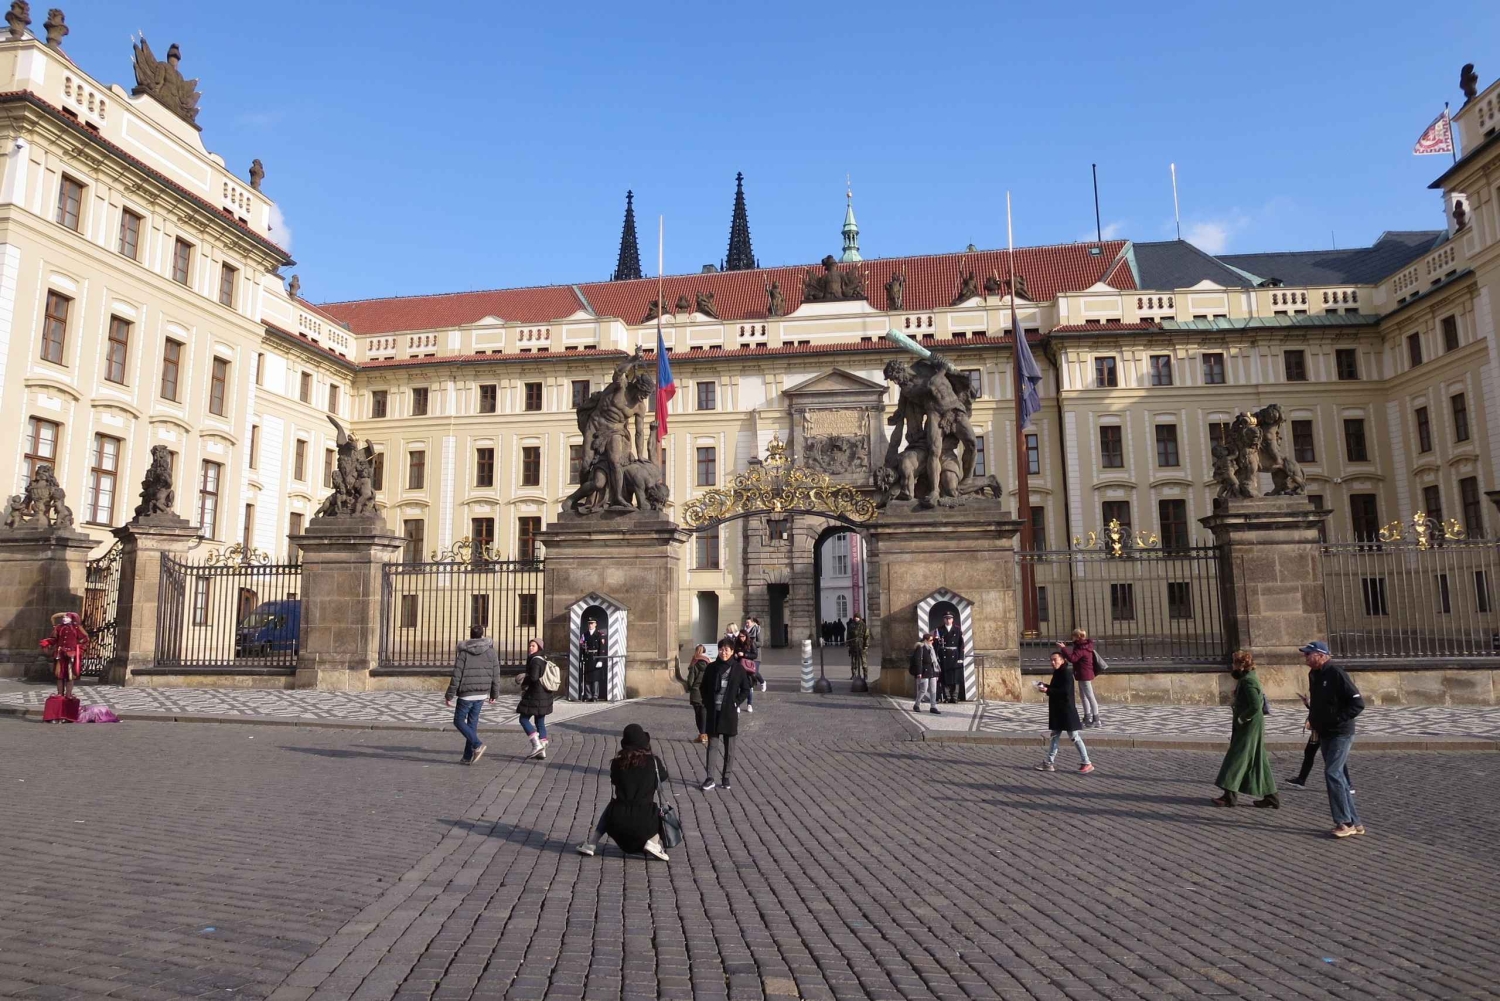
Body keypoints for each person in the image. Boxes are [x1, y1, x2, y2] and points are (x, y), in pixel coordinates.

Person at [576, 723, 671, 861]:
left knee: (611, 807)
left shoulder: (617, 763)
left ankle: (591, 843)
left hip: (618, 823)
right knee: (661, 812)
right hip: (645, 824)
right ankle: (653, 843)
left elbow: (614, 781)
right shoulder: (653, 762)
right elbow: (662, 778)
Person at [1302, 640, 1365, 838]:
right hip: (1324, 732)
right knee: (1340, 777)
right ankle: (1355, 822)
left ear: (1321, 655)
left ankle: (1344, 822)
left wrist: (1337, 719)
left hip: (1341, 732)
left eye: (1308, 654)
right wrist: (1312, 719)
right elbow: (1321, 703)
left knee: (1333, 773)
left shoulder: (1336, 673)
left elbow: (1357, 703)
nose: (1305, 657)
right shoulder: (1314, 674)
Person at [1212, 650, 1279, 808]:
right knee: (1258, 760)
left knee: (1236, 758)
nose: (1231, 665)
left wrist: (1242, 718)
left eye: (1234, 662)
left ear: (1240, 665)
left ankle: (1229, 797)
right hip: (1251, 724)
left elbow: (1256, 705)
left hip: (1249, 726)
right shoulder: (1247, 677)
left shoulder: (1249, 681)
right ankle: (1272, 796)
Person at [700, 637, 751, 791]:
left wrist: (736, 702)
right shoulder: (712, 667)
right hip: (714, 712)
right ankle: (710, 777)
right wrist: (708, 703)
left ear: (732, 651)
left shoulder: (738, 669)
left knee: (730, 747)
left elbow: (746, 688)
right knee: (712, 746)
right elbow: (703, 687)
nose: (723, 652)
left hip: (729, 712)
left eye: (726, 650)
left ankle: (726, 777)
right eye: (721, 649)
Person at [444, 624, 499, 765]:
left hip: (466, 694)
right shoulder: (490, 651)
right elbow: (495, 673)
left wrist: (449, 695)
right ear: (482, 634)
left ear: (471, 635)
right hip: (482, 693)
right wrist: (494, 693)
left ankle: (477, 744)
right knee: (472, 725)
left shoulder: (464, 652)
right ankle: (467, 756)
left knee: (458, 721)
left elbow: (457, 675)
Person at [1034, 651, 1094, 773]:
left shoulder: (1066, 673)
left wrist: (1047, 690)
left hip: (1066, 711)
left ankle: (1087, 762)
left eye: (1055, 659)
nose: (1052, 662)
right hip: (1059, 711)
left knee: (1074, 736)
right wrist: (1045, 685)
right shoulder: (1059, 672)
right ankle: (1048, 763)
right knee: (1055, 736)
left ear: (1062, 660)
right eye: (1051, 660)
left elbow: (1064, 691)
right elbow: (1056, 688)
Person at [1285, 690, 1353, 793]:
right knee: (1310, 753)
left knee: (1335, 758)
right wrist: (1308, 704)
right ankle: (1301, 779)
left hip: (1324, 728)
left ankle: (1348, 784)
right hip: (1318, 727)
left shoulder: (1329, 689)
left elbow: (1324, 708)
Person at [516, 638, 554, 760]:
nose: (530, 648)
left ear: (539, 647)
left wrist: (523, 679)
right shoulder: (542, 659)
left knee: (523, 719)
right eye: (530, 645)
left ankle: (536, 744)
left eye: (533, 646)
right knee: (540, 722)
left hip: (535, 695)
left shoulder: (536, 660)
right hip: (544, 695)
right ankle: (542, 749)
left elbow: (533, 677)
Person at [1057, 628, 1101, 727]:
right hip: (1081, 674)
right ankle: (1087, 717)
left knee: (1090, 696)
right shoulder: (1081, 646)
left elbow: (1073, 658)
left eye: (1073, 636)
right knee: (1084, 697)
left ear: (1078, 637)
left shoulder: (1082, 647)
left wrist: (1064, 648)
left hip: (1084, 675)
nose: (1071, 637)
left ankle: (1096, 719)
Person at [40, 611, 88, 701]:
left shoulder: (77, 628)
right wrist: (46, 642)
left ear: (71, 619)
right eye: (64, 617)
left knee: (70, 675)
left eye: (67, 617)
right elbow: (54, 639)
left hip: (71, 656)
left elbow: (85, 639)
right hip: (60, 654)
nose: (64, 619)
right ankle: (59, 693)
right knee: (59, 674)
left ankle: (69, 694)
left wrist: (77, 651)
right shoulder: (58, 628)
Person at [909, 632, 941, 714]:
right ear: (926, 640)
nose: (932, 641)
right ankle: (917, 704)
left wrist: (936, 673)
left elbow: (935, 661)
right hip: (924, 671)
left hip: (932, 670)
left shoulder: (931, 648)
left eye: (932, 640)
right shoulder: (920, 648)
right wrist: (919, 672)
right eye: (931, 640)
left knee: (934, 690)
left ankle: (933, 706)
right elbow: (918, 661)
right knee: (923, 689)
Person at [936, 612, 964, 703]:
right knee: (945, 677)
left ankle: (955, 697)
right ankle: (947, 697)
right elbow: (936, 644)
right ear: (944, 619)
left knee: (956, 677)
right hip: (944, 656)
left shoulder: (957, 629)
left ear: (952, 619)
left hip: (955, 655)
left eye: (949, 618)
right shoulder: (939, 630)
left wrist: (961, 657)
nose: (948, 620)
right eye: (946, 618)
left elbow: (961, 644)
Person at [686, 644, 711, 743]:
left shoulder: (694, 664)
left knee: (698, 714)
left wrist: (689, 688)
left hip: (696, 692)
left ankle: (702, 735)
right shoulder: (710, 664)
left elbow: (690, 681)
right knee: (704, 713)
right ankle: (705, 735)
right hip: (706, 693)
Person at [580, 617, 607, 702]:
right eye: (589, 623)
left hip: (596, 658)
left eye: (592, 623)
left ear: (595, 624)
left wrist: (600, 660)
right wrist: (582, 657)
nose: (590, 625)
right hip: (588, 658)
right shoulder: (585, 635)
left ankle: (595, 696)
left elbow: (602, 649)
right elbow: (582, 647)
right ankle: (588, 696)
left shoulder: (600, 634)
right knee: (587, 677)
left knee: (595, 678)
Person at [737, 629, 759, 713]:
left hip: (747, 668)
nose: (741, 638)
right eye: (739, 636)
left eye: (742, 636)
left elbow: (755, 654)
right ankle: (738, 704)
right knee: (738, 687)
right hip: (739, 667)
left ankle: (749, 704)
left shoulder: (751, 643)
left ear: (746, 636)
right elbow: (734, 652)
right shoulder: (737, 643)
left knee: (748, 687)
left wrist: (745, 655)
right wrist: (736, 655)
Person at [744, 616, 766, 692]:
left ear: (753, 623)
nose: (746, 624)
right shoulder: (744, 631)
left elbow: (760, 643)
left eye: (748, 623)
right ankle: (751, 686)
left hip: (756, 655)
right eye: (746, 622)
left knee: (754, 671)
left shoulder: (757, 630)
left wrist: (750, 643)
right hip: (747, 655)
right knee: (748, 671)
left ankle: (762, 682)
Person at [846, 613, 870, 681]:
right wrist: (848, 645)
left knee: (864, 662)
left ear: (860, 618)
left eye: (857, 617)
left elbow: (867, 636)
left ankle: (865, 675)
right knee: (854, 662)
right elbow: (848, 636)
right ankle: (853, 674)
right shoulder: (851, 625)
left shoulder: (863, 625)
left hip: (861, 646)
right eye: (855, 617)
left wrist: (866, 645)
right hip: (853, 646)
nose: (856, 618)